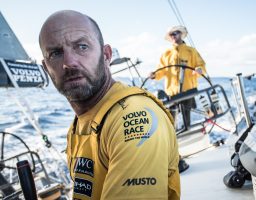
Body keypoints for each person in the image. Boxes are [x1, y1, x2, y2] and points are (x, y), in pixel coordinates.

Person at [39, 10, 180, 200]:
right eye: (55, 53)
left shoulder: (135, 116)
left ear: (106, 55)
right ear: (46, 69)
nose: (69, 63)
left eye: (81, 46)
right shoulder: (79, 124)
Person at [150, 25, 207, 128]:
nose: (173, 36)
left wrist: (199, 70)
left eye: (175, 33)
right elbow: (161, 70)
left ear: (181, 34)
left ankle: (188, 131)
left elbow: (201, 65)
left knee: (186, 116)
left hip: (188, 90)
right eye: (171, 34)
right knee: (171, 118)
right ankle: (173, 137)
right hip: (171, 93)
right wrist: (154, 75)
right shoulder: (166, 54)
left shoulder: (191, 51)